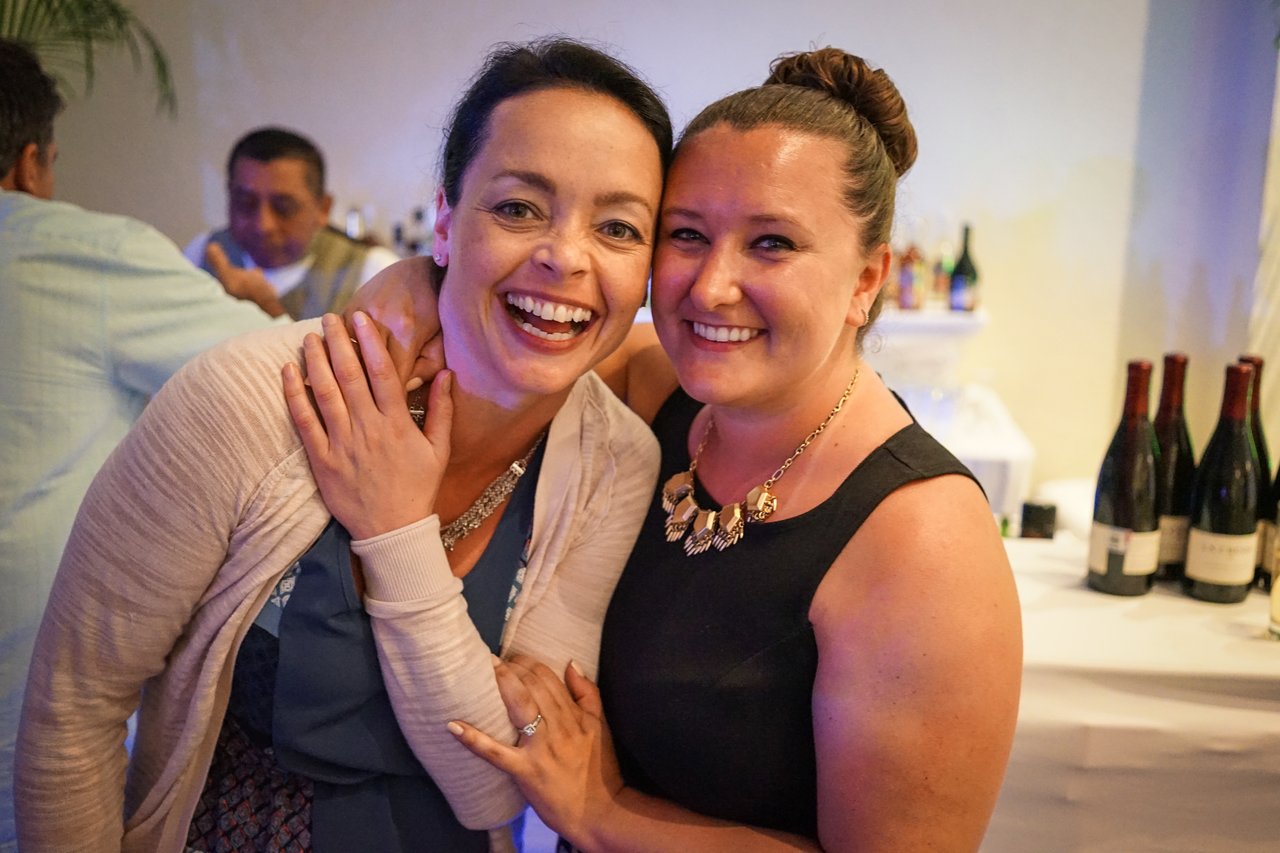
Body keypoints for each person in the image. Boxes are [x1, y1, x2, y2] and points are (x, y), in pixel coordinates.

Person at [16, 38, 671, 852]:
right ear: (443, 219)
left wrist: (395, 532)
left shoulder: (615, 465)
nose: (565, 256)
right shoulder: (253, 400)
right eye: (517, 208)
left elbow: (498, 784)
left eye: (617, 226)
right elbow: (73, 705)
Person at [441, 48, 1024, 851]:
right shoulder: (656, 387)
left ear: (866, 279)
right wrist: (401, 294)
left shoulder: (921, 536)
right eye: (686, 234)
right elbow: (503, 316)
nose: (710, 286)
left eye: (772, 244)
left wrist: (602, 811)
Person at [0, 38, 286, 852]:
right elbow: (275, 370)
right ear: (31, 163)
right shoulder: (81, 251)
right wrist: (263, 312)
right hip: (31, 702)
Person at [184, 126, 399, 319]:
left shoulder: (374, 272)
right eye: (245, 204)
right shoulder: (201, 253)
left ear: (323, 208)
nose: (263, 225)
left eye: (283, 208)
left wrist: (268, 311)